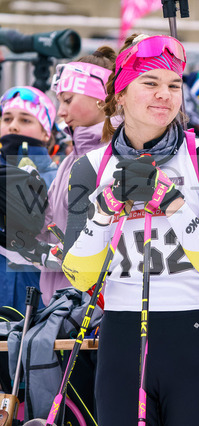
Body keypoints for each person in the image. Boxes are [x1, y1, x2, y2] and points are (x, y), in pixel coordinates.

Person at [61, 34, 199, 426]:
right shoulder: (89, 168)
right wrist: (102, 215)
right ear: (121, 95)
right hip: (123, 338)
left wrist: (173, 204)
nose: (165, 95)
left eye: (174, 85)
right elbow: (80, 276)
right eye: (150, 83)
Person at [39, 46, 117, 306]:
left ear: (100, 99)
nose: (60, 111)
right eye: (60, 101)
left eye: (68, 100)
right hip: (59, 305)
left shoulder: (115, 156)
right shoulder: (70, 160)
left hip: (97, 307)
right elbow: (51, 230)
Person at [0, 85, 57, 312]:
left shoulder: (59, 179)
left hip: (40, 302)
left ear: (46, 133)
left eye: (25, 120)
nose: (13, 126)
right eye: (7, 118)